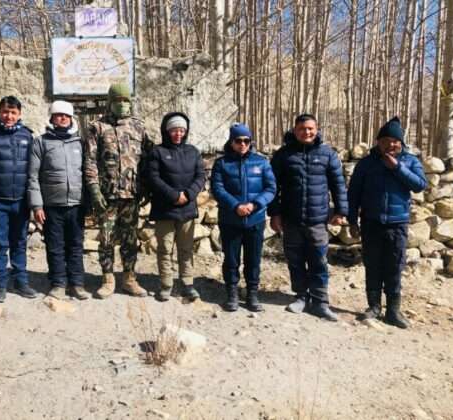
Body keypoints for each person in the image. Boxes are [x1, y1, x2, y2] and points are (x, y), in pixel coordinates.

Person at [348, 117, 426, 329]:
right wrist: (352, 220)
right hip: (371, 223)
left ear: (401, 143)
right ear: (378, 142)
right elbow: (353, 193)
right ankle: (373, 307)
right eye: (386, 141)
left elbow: (420, 185)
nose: (391, 145)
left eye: (395, 141)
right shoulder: (366, 163)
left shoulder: (410, 161)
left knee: (394, 267)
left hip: (397, 224)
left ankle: (393, 310)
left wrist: (397, 167)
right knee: (372, 265)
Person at [268, 114, 348, 321]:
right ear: (295, 130)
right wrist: (275, 214)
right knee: (295, 261)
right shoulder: (283, 155)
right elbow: (272, 187)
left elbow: (338, 184)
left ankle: (320, 302)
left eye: (310, 128)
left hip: (318, 220)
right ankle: (301, 297)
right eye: (302, 129)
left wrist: (341, 211)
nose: (307, 132)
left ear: (317, 129)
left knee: (319, 261)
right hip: (291, 219)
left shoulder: (327, 154)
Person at [84, 82, 154, 299]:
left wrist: (147, 188)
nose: (122, 104)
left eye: (125, 100)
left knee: (130, 239)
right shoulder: (97, 127)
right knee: (106, 238)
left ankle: (129, 278)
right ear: (110, 102)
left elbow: (149, 160)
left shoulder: (138, 127)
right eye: (117, 100)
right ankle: (107, 278)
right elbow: (90, 161)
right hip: (107, 196)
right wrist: (94, 190)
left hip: (131, 195)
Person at [211, 123, 276, 312]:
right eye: (238, 140)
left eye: (246, 141)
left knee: (253, 259)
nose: (242, 144)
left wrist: (254, 205)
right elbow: (217, 188)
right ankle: (231, 293)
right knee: (231, 259)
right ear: (231, 142)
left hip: (255, 219)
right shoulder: (222, 163)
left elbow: (270, 188)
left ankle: (252, 294)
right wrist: (235, 206)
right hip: (230, 220)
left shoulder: (261, 162)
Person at [28, 101, 89, 300]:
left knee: (76, 245)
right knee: (55, 246)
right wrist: (37, 205)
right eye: (58, 115)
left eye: (66, 115)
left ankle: (77, 283)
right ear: (52, 118)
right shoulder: (41, 142)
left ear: (71, 118)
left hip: (76, 205)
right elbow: (33, 177)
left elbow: (87, 173)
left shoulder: (80, 143)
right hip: (52, 206)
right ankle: (58, 283)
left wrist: (89, 202)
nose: (62, 118)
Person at [0, 96, 37, 303]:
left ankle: (21, 282)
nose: (9, 116)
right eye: (5, 112)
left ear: (19, 114)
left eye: (13, 112)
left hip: (21, 200)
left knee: (19, 242)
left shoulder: (27, 135)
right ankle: (0, 285)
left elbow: (33, 166)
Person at [147, 112, 206, 302]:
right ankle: (166, 284)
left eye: (181, 130)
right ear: (167, 131)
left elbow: (201, 176)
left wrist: (188, 195)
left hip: (187, 208)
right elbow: (153, 178)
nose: (178, 134)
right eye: (174, 130)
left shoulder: (193, 152)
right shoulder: (157, 152)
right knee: (165, 249)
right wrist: (174, 195)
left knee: (186, 249)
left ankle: (187, 284)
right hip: (164, 209)